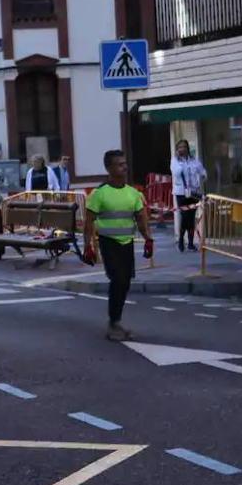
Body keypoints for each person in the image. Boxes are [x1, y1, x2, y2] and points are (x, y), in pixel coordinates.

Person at [84, 150, 153, 341]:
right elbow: (89, 222)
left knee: (125, 282)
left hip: (127, 243)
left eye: (125, 163)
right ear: (109, 168)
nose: (124, 167)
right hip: (108, 243)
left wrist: (148, 239)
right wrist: (88, 246)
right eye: (119, 164)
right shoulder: (99, 194)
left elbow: (141, 218)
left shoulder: (133, 193)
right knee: (118, 280)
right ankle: (114, 324)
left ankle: (116, 321)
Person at [170, 139, 206, 252]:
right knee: (184, 217)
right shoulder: (175, 160)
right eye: (180, 147)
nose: (182, 149)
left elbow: (202, 171)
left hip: (193, 192)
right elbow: (176, 172)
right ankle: (181, 239)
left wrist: (203, 176)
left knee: (191, 217)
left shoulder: (193, 160)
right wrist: (179, 159)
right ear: (177, 149)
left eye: (184, 147)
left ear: (187, 148)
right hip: (181, 192)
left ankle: (190, 242)